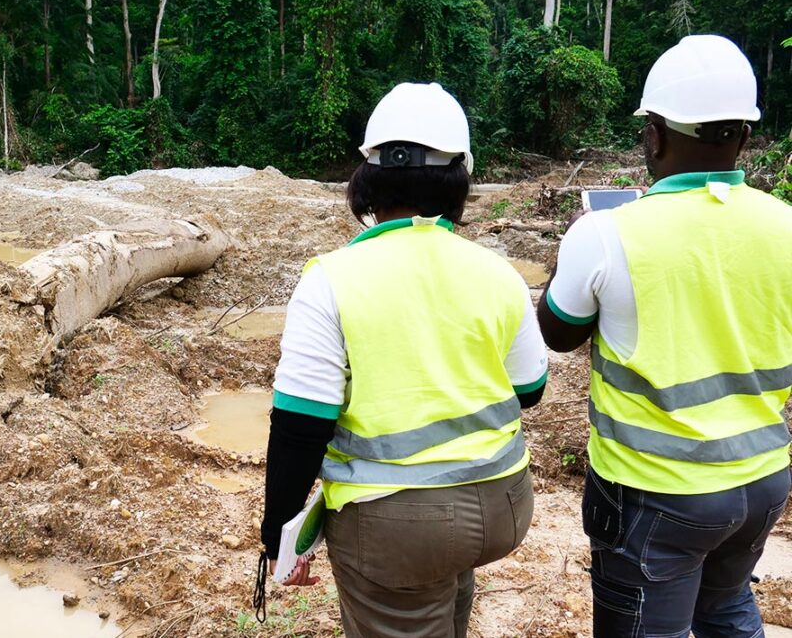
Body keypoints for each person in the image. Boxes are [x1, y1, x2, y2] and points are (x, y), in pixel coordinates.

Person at [256, 82, 548, 637]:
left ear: (367, 178)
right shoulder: (497, 272)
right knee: (446, 590)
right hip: (502, 505)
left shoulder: (330, 281)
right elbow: (529, 390)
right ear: (459, 180)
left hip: (396, 524)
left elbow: (300, 425)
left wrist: (280, 529)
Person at [537, 35, 792, 638]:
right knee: (727, 608)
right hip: (761, 482)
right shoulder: (785, 224)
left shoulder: (607, 232)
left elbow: (557, 332)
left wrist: (570, 256)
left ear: (653, 134)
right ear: (746, 136)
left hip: (657, 494)